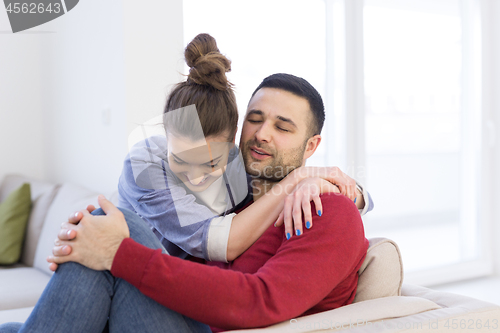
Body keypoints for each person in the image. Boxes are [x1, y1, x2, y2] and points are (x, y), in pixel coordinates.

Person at [0, 51, 371, 333]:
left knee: (116, 226)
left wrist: (119, 253)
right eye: (255, 120)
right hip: (181, 315)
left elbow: (260, 300)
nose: (262, 134)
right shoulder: (240, 190)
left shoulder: (328, 209)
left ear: (311, 147)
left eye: (283, 127)